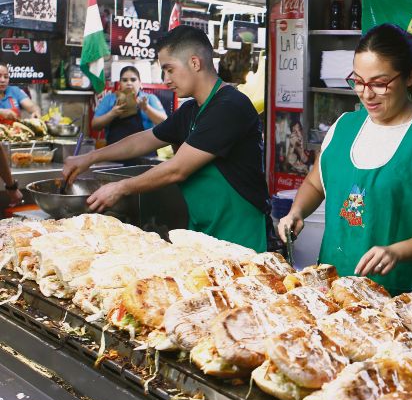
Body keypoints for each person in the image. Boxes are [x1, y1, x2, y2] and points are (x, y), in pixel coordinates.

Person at [278, 23, 412, 296]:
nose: (366, 94)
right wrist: (297, 211)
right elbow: (315, 184)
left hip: (400, 296)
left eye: (379, 84)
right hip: (332, 290)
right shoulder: (343, 127)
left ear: (410, 76)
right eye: (358, 81)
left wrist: (397, 251)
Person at [63, 25, 270, 252]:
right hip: (204, 230)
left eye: (169, 70)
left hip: (240, 234)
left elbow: (177, 169)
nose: (166, 79)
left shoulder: (229, 106)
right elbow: (143, 140)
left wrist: (121, 188)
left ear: (195, 63)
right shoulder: (191, 110)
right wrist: (90, 157)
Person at [91, 65, 167, 146]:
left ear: (140, 83)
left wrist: (146, 108)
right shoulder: (109, 99)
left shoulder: (149, 98)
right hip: (115, 150)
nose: (129, 83)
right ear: (120, 83)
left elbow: (165, 123)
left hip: (144, 149)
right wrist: (112, 114)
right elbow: (95, 125)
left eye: (133, 80)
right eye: (124, 80)